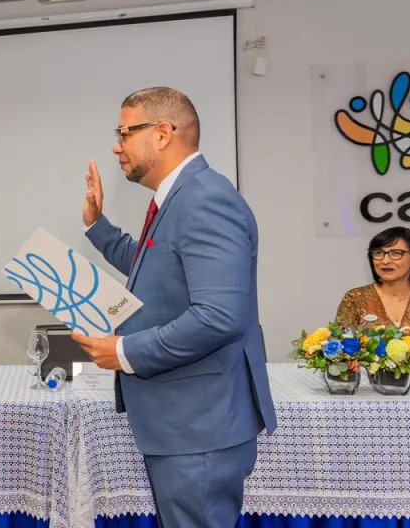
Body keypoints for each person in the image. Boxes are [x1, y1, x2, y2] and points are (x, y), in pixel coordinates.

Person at [72, 87, 277, 527]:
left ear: (163, 133)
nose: (116, 146)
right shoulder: (180, 196)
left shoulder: (204, 199)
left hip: (199, 427)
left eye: (125, 133)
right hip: (185, 424)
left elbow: (218, 317)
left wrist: (124, 352)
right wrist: (97, 226)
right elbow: (153, 268)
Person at [335, 226, 410, 331]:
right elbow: (339, 338)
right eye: (378, 253)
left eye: (396, 253)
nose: (385, 261)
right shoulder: (355, 298)